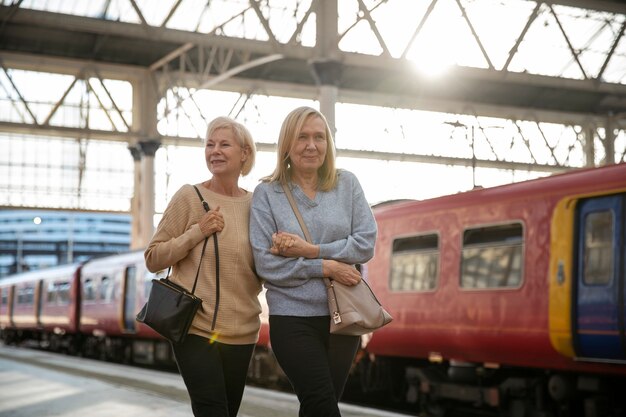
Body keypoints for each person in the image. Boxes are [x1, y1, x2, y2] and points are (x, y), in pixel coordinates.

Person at [249, 106, 378, 416]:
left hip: (343, 317)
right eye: (302, 137)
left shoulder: (347, 184)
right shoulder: (267, 194)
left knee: (320, 405)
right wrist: (327, 266)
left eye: (319, 137)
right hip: (292, 319)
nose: (311, 145)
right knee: (321, 403)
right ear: (287, 146)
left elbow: (365, 244)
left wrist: (310, 252)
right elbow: (268, 266)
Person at [144, 116, 262, 417]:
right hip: (195, 328)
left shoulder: (258, 204)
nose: (215, 151)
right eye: (210, 144)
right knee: (213, 410)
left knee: (227, 411)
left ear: (244, 153)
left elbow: (263, 264)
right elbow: (153, 258)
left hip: (244, 332)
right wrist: (198, 231)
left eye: (224, 144)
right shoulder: (190, 196)